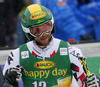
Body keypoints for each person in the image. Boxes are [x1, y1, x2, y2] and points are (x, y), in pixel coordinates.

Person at [3, 4, 100, 87]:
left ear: (52, 25)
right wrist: (8, 81)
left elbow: (85, 82)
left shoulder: (71, 51)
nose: (43, 34)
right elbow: (4, 84)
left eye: (46, 27)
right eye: (37, 30)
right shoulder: (17, 55)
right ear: (28, 32)